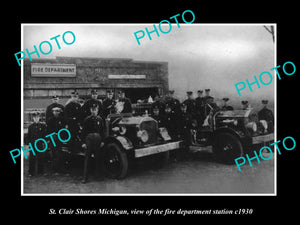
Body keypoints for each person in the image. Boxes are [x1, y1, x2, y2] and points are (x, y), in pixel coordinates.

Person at [81, 104, 105, 183]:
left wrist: (102, 141)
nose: (94, 111)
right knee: (87, 158)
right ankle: (85, 177)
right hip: (89, 139)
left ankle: (97, 176)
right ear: (90, 110)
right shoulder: (87, 119)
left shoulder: (100, 119)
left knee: (97, 158)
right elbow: (83, 132)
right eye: (92, 110)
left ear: (97, 111)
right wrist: (83, 143)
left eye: (95, 110)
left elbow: (102, 131)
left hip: (98, 139)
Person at [46, 107, 67, 173]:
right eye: (55, 111)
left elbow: (63, 129)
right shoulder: (50, 120)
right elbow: (48, 130)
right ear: (52, 112)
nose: (56, 112)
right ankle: (54, 169)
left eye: (58, 111)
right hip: (52, 138)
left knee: (60, 153)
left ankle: (60, 168)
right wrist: (52, 134)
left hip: (59, 138)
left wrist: (61, 135)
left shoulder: (62, 120)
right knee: (53, 153)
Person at [27, 110, 47, 176]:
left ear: (39, 118)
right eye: (35, 117)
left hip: (40, 144)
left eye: (37, 117)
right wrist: (29, 143)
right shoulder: (30, 127)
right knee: (32, 158)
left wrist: (43, 142)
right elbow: (28, 136)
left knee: (41, 157)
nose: (36, 118)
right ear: (33, 118)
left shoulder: (42, 126)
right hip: (32, 144)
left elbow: (44, 135)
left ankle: (40, 171)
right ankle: (31, 172)